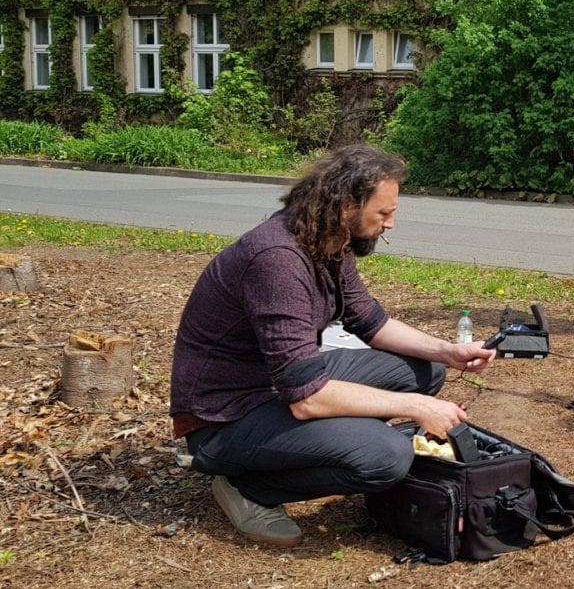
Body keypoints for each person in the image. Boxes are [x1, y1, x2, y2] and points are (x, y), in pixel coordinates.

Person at [169, 145, 497, 547]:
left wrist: (448, 351)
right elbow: (307, 398)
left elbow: (370, 323)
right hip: (224, 418)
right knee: (386, 457)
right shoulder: (278, 259)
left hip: (278, 384)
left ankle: (333, 442)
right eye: (383, 213)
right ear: (346, 205)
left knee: (425, 370)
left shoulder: (328, 241)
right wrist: (417, 407)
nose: (390, 224)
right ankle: (250, 487)